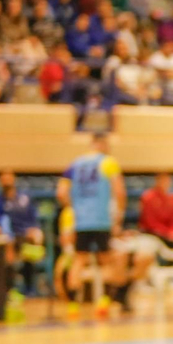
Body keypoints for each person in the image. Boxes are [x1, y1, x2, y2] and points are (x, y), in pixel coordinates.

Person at [56, 131, 123, 315]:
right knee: (106, 261)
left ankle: (72, 305)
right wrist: (118, 215)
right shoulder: (108, 162)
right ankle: (103, 302)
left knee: (79, 261)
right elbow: (119, 191)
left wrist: (74, 207)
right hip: (101, 220)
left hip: (81, 221)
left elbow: (61, 192)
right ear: (102, 144)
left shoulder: (74, 164)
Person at [0, 169, 43, 296]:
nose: (7, 182)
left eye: (9, 178)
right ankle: (10, 289)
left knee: (31, 244)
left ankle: (30, 289)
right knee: (9, 248)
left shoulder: (25, 199)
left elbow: (34, 220)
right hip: (8, 238)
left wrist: (35, 230)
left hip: (26, 236)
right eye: (3, 179)